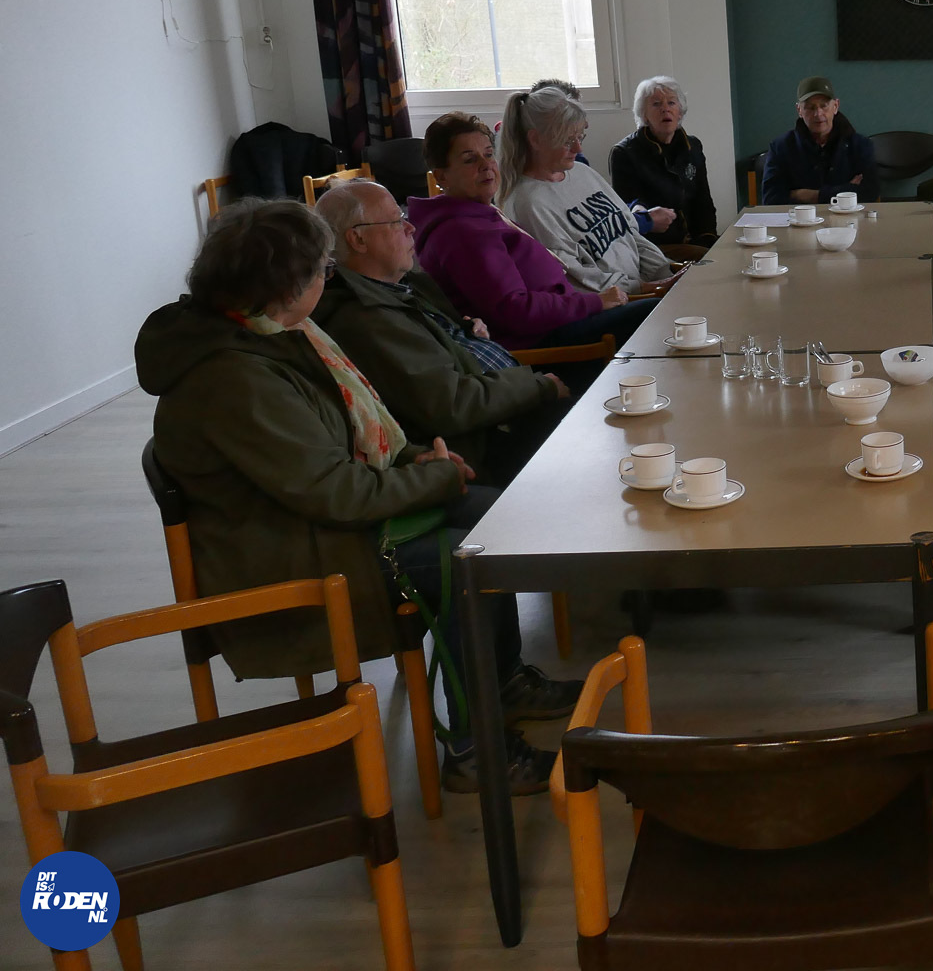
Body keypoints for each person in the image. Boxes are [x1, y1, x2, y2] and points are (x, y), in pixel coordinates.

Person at [135, 199, 580, 795]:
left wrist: (412, 459)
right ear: (287, 286)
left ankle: (502, 683)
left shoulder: (268, 334)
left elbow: (341, 438)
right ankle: (476, 751)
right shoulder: (232, 375)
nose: (330, 276)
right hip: (292, 555)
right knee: (467, 563)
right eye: (323, 268)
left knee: (496, 519)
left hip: (312, 527)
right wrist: (435, 478)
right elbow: (336, 494)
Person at [314, 179, 571, 485]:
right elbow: (451, 404)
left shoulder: (397, 287)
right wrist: (539, 386)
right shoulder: (364, 318)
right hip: (486, 445)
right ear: (358, 239)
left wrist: (467, 336)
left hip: (505, 409)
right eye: (396, 221)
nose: (410, 228)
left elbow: (440, 361)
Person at [410, 111, 656, 359]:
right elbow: (514, 310)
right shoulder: (462, 233)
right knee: (655, 314)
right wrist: (595, 302)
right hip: (546, 346)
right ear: (441, 176)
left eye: (488, 154)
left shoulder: (478, 213)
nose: (486, 165)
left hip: (563, 321)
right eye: (469, 159)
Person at [498, 86, 679, 302]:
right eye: (567, 141)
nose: (578, 149)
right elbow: (576, 277)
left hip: (646, 290)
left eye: (579, 137)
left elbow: (629, 233)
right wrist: (647, 289)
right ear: (535, 140)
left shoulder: (581, 172)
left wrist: (664, 272)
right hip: (617, 304)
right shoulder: (527, 203)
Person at [608, 75, 720, 258]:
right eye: (656, 104)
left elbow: (703, 201)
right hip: (654, 247)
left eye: (671, 103)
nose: (665, 109)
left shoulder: (693, 146)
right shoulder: (624, 153)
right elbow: (630, 212)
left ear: (680, 112)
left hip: (695, 241)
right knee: (714, 261)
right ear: (644, 115)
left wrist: (708, 238)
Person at [761, 75, 879, 206]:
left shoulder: (860, 145)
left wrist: (807, 195)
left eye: (824, 106)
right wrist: (846, 190)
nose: (818, 114)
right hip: (798, 218)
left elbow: (870, 193)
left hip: (848, 218)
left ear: (835, 106)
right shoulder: (780, 147)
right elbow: (771, 199)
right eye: (810, 107)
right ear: (799, 110)